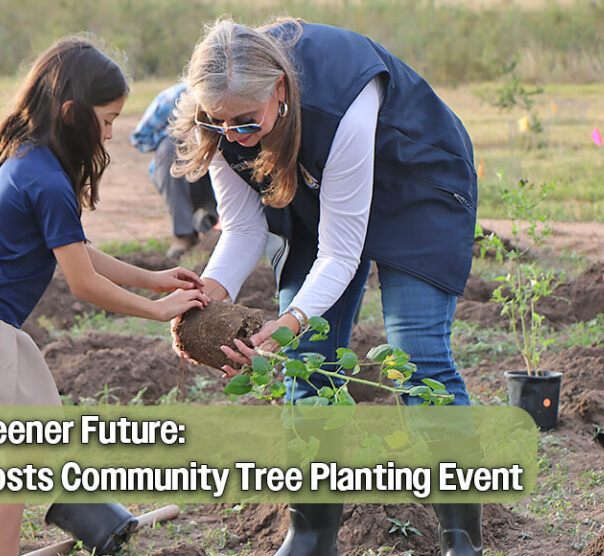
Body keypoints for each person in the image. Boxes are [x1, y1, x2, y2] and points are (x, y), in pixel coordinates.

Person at [170, 18, 481, 556]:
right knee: (310, 358)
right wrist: (208, 296)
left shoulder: (342, 105)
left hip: (415, 180)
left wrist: (285, 323)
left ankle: (462, 542)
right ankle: (310, 536)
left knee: (418, 356)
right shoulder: (220, 117)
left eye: (245, 122)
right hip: (320, 189)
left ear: (281, 90)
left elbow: (342, 252)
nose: (233, 136)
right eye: (218, 124)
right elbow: (243, 228)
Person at [0, 37, 209, 556]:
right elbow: (81, 281)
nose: (109, 133)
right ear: (69, 112)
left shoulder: (32, 159)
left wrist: (154, 278)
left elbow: (76, 251)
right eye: (106, 120)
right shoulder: (47, 180)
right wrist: (155, 311)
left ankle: (102, 525)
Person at [130, 83, 218, 259]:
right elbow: (140, 138)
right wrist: (180, 136)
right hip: (180, 173)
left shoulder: (234, 94)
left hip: (215, 171)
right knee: (169, 146)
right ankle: (183, 234)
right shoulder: (170, 99)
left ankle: (211, 224)